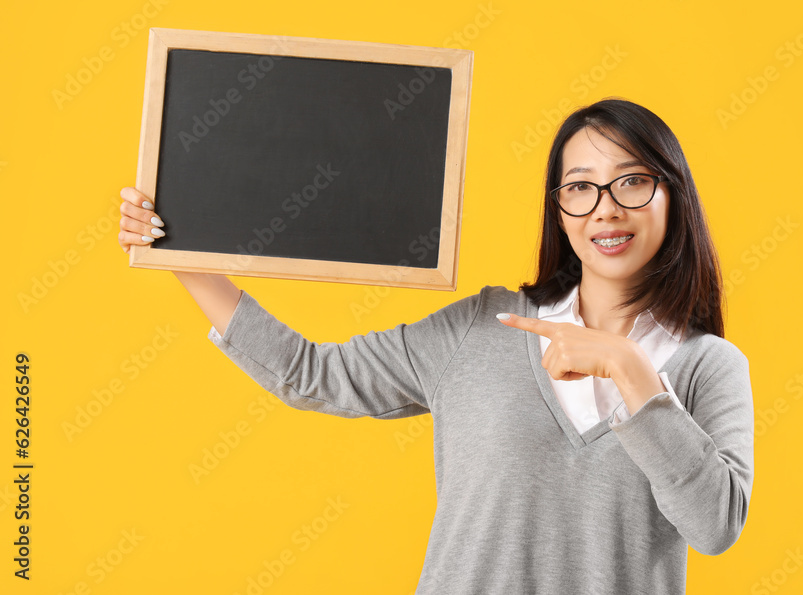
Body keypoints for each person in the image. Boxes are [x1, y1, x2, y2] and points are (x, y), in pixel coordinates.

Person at [118, 97, 753, 593]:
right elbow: (310, 373)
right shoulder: (481, 328)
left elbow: (715, 526)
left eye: (632, 182)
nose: (605, 209)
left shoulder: (709, 368)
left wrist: (627, 367)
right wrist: (179, 252)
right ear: (559, 209)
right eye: (581, 187)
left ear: (673, 195)